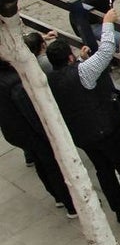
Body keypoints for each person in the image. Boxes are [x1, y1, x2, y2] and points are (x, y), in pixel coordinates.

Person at [45, 12, 120, 226]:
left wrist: (80, 60)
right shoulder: (82, 71)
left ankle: (119, 209)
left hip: (83, 135)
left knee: (103, 170)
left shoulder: (51, 79)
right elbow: (106, 51)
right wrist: (107, 24)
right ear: (69, 57)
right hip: (105, 129)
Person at [0, 59, 75, 217]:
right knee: (52, 166)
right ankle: (71, 203)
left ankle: (57, 196)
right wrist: (47, 133)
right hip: (30, 131)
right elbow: (29, 113)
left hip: (14, 132)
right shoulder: (14, 82)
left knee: (41, 163)